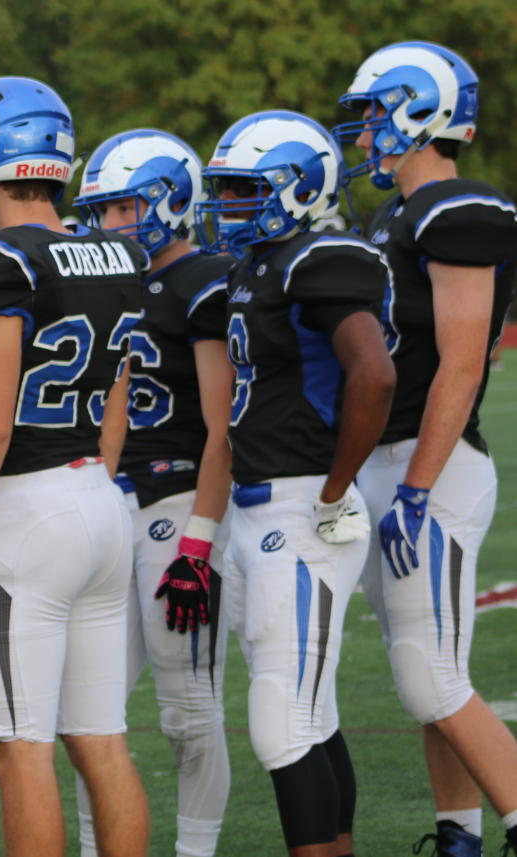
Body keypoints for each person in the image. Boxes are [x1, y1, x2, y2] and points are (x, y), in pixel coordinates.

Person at [0, 77, 151, 857]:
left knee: (21, 744)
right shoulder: (117, 249)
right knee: (101, 740)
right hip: (97, 490)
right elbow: (118, 396)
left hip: (28, 511)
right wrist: (95, 481)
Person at [195, 110, 395, 857]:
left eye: (246, 189)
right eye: (226, 190)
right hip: (258, 510)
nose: (229, 205)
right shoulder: (259, 264)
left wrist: (333, 487)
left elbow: (373, 373)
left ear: (295, 187)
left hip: (302, 506)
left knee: (281, 727)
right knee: (310, 716)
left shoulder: (319, 259)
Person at [335, 41, 517, 857]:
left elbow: (463, 359)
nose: (366, 131)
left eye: (375, 114)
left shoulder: (457, 208)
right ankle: (457, 837)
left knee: (429, 677)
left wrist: (414, 486)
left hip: (430, 467)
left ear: (420, 110)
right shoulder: (392, 216)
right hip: (396, 462)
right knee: (434, 674)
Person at [72, 129, 236, 857]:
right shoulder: (109, 277)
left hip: (176, 502)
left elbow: (220, 426)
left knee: (187, 705)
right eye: (101, 211)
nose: (109, 225)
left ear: (172, 200)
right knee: (90, 712)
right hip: (110, 504)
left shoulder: (206, 280)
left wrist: (200, 538)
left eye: (123, 207)